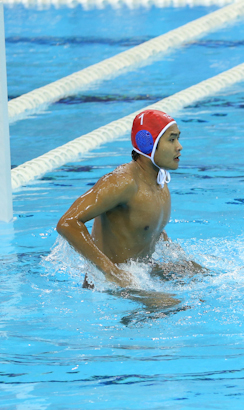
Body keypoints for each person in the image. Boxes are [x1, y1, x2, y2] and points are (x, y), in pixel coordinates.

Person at [57, 109, 200, 289]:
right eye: (171, 139)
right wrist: (111, 272)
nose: (179, 146)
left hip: (140, 274)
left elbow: (145, 228)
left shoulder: (159, 180)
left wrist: (175, 256)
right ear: (148, 143)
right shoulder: (122, 182)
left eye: (178, 138)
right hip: (108, 287)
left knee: (204, 274)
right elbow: (67, 223)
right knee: (173, 305)